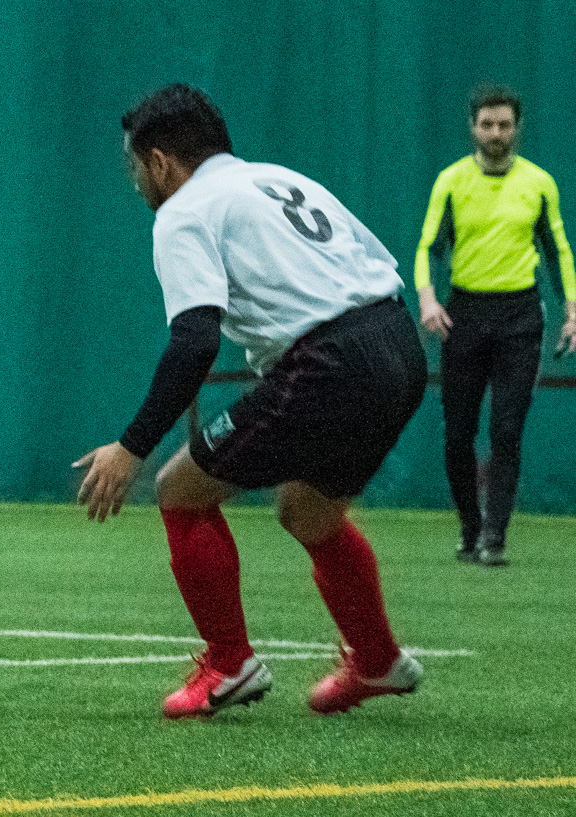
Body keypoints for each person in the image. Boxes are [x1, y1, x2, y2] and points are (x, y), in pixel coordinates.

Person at [75, 84, 427, 719]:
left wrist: (130, 448)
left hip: (330, 360)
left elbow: (194, 341)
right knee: (310, 513)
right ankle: (379, 661)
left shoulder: (183, 211)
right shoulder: (281, 179)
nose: (136, 182)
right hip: (398, 344)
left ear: (160, 162)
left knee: (180, 489)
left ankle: (229, 664)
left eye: (135, 167)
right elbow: (374, 269)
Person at [415, 83, 576, 567]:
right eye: (487, 124)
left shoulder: (539, 183)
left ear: (517, 128)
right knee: (458, 435)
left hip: (520, 318)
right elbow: (428, 247)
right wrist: (428, 299)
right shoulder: (450, 181)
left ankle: (494, 537)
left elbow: (558, 252)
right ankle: (470, 527)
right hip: (464, 316)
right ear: (473, 127)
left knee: (507, 430)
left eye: (504, 124)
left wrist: (572, 310)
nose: (496, 133)